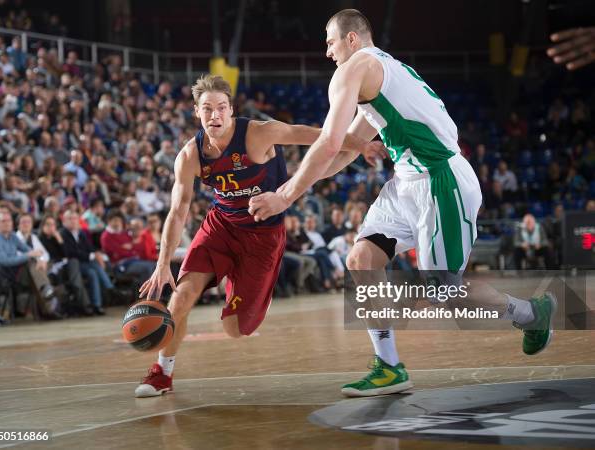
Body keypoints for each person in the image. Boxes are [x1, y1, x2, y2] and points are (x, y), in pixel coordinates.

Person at [248, 9, 557, 397]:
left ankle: (531, 314)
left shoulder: (355, 68)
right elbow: (343, 154)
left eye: (329, 42)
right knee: (361, 260)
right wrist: (287, 187)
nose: (327, 52)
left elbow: (328, 142)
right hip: (407, 182)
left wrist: (285, 196)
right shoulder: (379, 79)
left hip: (441, 180)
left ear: (352, 39)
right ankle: (389, 366)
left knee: (445, 294)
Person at [135, 74, 374, 398]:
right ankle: (162, 371)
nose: (215, 116)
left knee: (236, 329)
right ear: (196, 112)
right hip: (221, 227)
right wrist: (163, 263)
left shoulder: (260, 133)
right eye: (207, 109)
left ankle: (253, 287)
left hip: (263, 236)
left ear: (231, 110)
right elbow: (178, 212)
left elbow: (318, 135)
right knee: (180, 297)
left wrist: (361, 143)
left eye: (221, 108)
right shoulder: (189, 156)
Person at [62, 210, 113, 315]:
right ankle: (110, 288)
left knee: (93, 273)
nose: (73, 221)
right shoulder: (63, 233)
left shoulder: (81, 233)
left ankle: (96, 305)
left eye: (75, 218)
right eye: (70, 219)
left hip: (85, 263)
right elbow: (70, 252)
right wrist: (92, 255)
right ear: (64, 221)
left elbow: (90, 248)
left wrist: (95, 254)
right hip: (73, 266)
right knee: (96, 263)